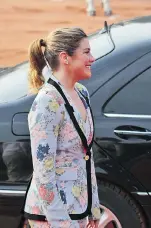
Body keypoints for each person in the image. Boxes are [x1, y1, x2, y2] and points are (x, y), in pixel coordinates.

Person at [21, 27, 101, 228]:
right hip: (52, 217)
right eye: (86, 52)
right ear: (65, 58)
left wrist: (93, 208)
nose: (92, 58)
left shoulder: (82, 93)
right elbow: (43, 173)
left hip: (78, 209)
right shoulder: (47, 102)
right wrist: (62, 223)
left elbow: (86, 157)